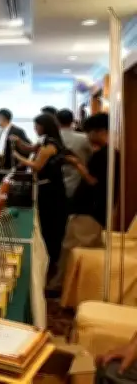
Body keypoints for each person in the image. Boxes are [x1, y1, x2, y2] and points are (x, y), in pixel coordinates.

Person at [51, 113, 118, 288]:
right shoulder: (107, 154)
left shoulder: (105, 155)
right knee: (73, 248)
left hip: (90, 210)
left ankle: (66, 287)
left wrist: (77, 164)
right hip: (90, 210)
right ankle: (65, 286)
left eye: (90, 132)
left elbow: (93, 181)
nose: (87, 137)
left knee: (75, 251)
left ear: (101, 131)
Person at [12, 113, 69, 274]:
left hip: (52, 191)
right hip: (45, 188)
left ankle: (51, 264)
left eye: (36, 126)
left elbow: (37, 166)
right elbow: (30, 148)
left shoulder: (51, 144)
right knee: (46, 224)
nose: (35, 128)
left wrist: (17, 156)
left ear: (44, 126)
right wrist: (19, 142)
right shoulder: (44, 141)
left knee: (50, 226)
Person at [56, 108, 92, 199]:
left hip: (57, 182)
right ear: (72, 120)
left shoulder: (52, 138)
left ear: (57, 121)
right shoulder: (84, 138)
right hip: (79, 180)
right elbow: (91, 156)